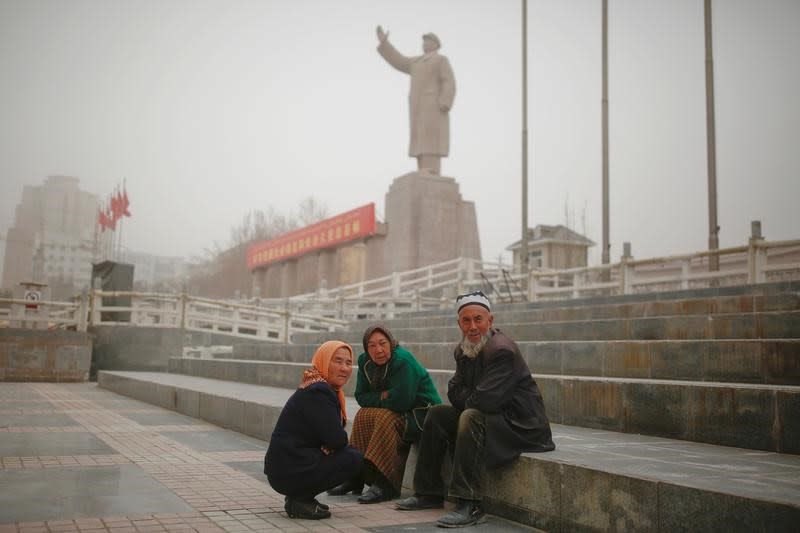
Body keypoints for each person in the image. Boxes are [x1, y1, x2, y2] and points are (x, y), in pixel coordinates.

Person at [395, 290, 556, 528]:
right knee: (438, 413)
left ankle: (470, 504)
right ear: (459, 323)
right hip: (492, 415)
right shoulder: (463, 349)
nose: (472, 326)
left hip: (521, 425)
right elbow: (453, 390)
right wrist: (471, 397)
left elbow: (486, 401)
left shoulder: (502, 350)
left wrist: (469, 397)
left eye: (478, 319)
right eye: (466, 320)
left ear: (490, 321)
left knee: (470, 416)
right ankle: (428, 492)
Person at [327, 324, 442, 504]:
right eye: (372, 345)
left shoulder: (403, 361)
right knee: (363, 414)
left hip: (421, 415)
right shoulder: (365, 361)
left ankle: (386, 483)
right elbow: (361, 396)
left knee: (384, 417)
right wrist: (385, 395)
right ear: (366, 347)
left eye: (382, 343)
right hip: (398, 410)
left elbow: (402, 402)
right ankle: (355, 475)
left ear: (391, 343)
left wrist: (382, 398)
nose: (378, 350)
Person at [264, 340, 362, 520]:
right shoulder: (319, 391)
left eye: (348, 363)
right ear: (323, 361)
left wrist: (331, 443)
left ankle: (302, 496)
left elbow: (332, 437)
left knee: (347, 452)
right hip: (287, 469)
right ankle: (299, 499)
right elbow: (338, 440)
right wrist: (331, 444)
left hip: (287, 466)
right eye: (337, 361)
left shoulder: (316, 385)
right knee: (352, 457)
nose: (344, 368)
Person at [376, 25, 456, 176]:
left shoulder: (440, 60)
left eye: (428, 41)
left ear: (436, 44)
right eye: (423, 41)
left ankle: (432, 169)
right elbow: (398, 60)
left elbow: (449, 81)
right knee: (420, 138)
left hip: (433, 104)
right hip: (417, 106)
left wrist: (445, 100)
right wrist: (385, 44)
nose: (424, 44)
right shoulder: (416, 62)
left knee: (430, 137)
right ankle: (423, 169)